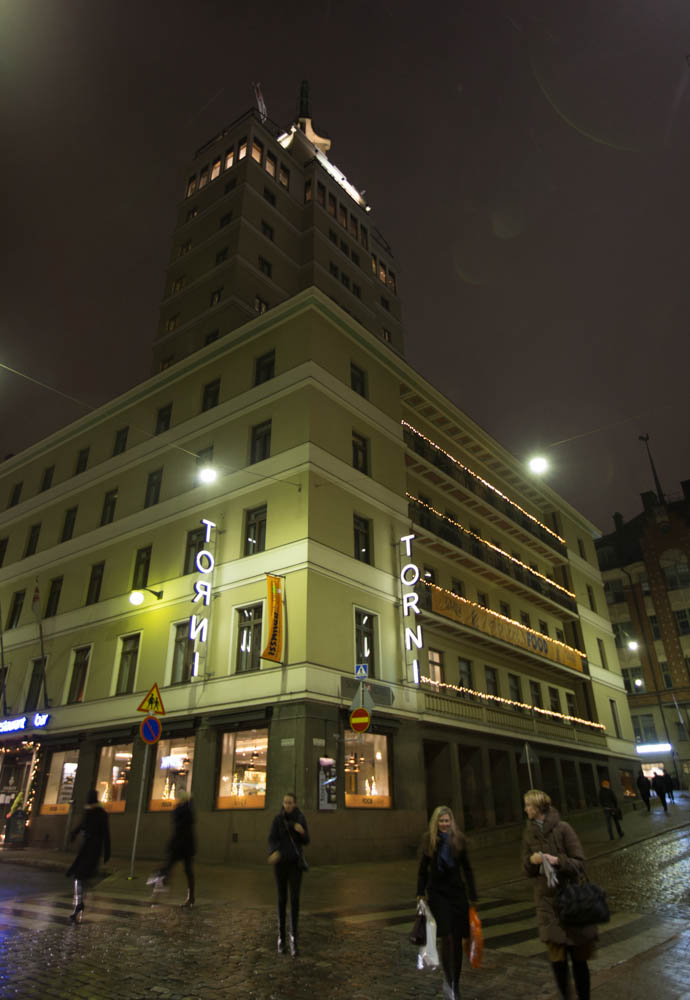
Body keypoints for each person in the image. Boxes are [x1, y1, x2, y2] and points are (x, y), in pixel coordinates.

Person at [523, 789, 597, 1000]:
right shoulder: (528, 834)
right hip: (547, 904)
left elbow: (579, 863)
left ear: (538, 807)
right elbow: (525, 868)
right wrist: (531, 862)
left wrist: (556, 860)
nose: (525, 809)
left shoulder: (563, 828)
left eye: (528, 805)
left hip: (572, 901)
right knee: (557, 961)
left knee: (579, 959)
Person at [417, 805, 477, 1000]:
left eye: (447, 821)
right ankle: (448, 977)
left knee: (457, 939)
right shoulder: (429, 840)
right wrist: (420, 893)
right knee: (447, 936)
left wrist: (472, 893)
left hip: (457, 894)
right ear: (436, 822)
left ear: (451, 822)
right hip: (438, 894)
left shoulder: (458, 840)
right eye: (441, 821)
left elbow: (467, 868)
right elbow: (423, 869)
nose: (444, 824)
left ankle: (455, 983)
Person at [268, 792, 310, 956]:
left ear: (295, 804)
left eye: (290, 802)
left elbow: (307, 841)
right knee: (281, 899)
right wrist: (273, 851)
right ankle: (281, 937)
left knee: (294, 900)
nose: (287, 805)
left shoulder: (300, 818)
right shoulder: (278, 819)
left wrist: (302, 832)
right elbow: (272, 838)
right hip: (280, 865)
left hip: (295, 865)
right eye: (285, 802)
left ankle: (293, 938)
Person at [66, 789, 111, 922]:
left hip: (90, 848)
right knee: (82, 876)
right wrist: (107, 850)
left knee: (80, 876)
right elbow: (105, 832)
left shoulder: (93, 813)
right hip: (91, 849)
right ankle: (82, 901)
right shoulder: (99, 813)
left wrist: (74, 833)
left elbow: (85, 826)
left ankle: (81, 902)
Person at [150, 789, 196, 906]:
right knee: (187, 871)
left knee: (168, 868)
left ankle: (157, 894)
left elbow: (178, 826)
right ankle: (190, 897)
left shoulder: (180, 810)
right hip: (187, 844)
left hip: (179, 844)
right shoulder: (189, 809)